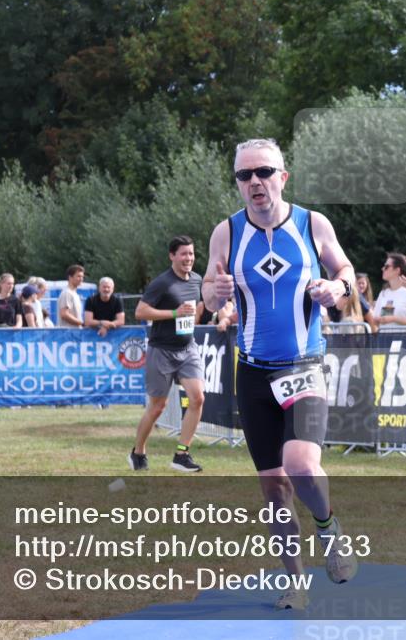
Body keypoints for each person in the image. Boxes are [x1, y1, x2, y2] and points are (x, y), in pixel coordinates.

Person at [202, 138, 358, 610]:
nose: (254, 183)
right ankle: (296, 582)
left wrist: (337, 287)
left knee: (303, 468)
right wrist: (215, 290)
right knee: (273, 485)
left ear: (282, 177)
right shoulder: (225, 233)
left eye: (264, 172)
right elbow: (208, 293)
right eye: (244, 176)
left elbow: (348, 271)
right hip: (252, 373)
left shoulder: (313, 224)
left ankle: (329, 530)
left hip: (303, 366)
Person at [131, 236, 205, 474]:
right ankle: (138, 451)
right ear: (172, 256)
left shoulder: (197, 280)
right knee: (157, 407)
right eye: (183, 254)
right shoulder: (162, 283)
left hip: (187, 348)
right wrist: (174, 313)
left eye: (191, 254)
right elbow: (140, 312)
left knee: (198, 398)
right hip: (161, 350)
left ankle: (182, 454)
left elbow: (199, 305)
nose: (188, 258)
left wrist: (193, 319)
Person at [373, 253, 406, 328]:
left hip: (403, 337)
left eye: (386, 267)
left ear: (397, 270)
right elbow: (375, 319)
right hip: (383, 336)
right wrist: (378, 320)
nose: (382, 269)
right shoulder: (384, 293)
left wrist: (394, 319)